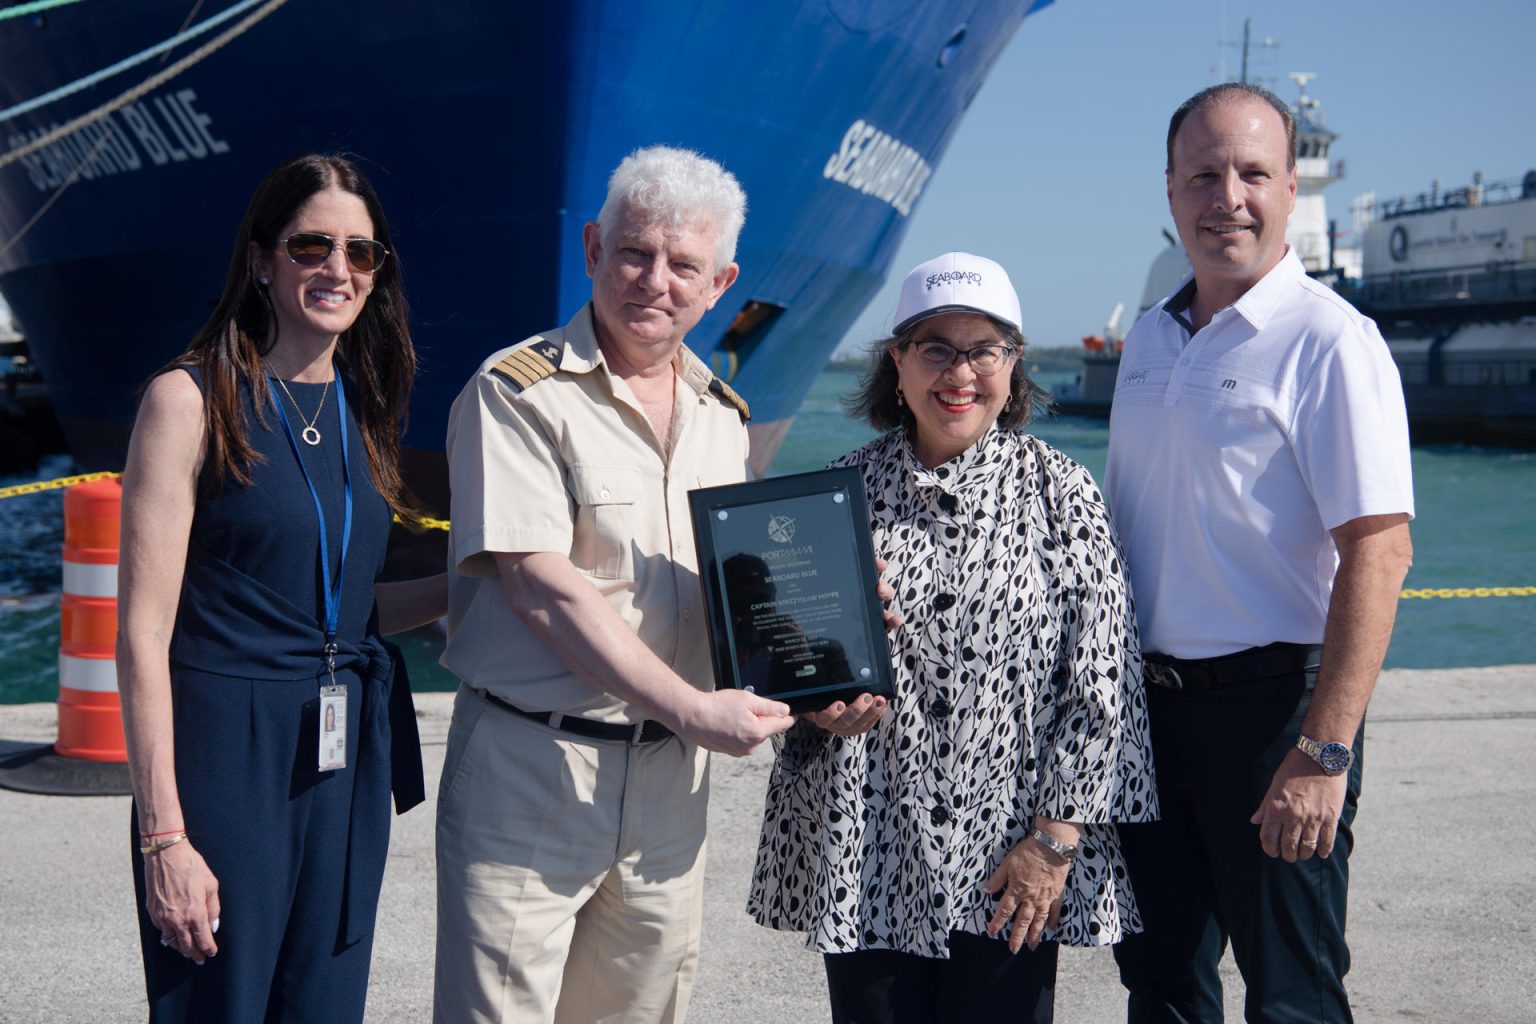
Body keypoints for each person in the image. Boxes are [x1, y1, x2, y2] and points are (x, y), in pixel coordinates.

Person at [434, 145, 798, 1024]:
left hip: (670, 786)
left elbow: (738, 593)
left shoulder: (723, 420)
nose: (654, 280)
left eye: (684, 264)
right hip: (533, 768)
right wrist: (693, 709)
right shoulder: (517, 392)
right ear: (594, 247)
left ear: (722, 283)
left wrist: (828, 653)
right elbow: (541, 589)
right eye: (635, 252)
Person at [749, 252, 1158, 1024]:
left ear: (1014, 366)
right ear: (897, 365)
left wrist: (1055, 846)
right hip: (869, 844)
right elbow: (787, 659)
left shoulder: (1062, 490)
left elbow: (1104, 686)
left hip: (1014, 857)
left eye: (983, 349)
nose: (959, 372)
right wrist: (816, 707)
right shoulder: (834, 493)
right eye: (935, 347)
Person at [1105, 84, 1415, 1023]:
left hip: (1275, 717)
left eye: (1252, 173)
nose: (1226, 197)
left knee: (1293, 997)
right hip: (1147, 718)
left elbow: (1380, 550)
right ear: (1169, 192)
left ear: (1289, 187)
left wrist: (1324, 751)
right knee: (1159, 988)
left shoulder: (1332, 342)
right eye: (1203, 174)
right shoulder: (1150, 338)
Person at [117, 153, 448, 1023]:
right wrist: (164, 837)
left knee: (325, 1006)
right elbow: (142, 636)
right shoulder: (190, 401)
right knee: (219, 1005)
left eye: (362, 253)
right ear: (262, 258)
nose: (338, 269)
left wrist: (466, 589)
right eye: (312, 245)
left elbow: (342, 612)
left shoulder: (363, 406)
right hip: (229, 756)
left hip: (342, 761)